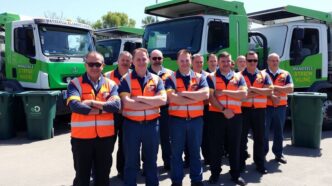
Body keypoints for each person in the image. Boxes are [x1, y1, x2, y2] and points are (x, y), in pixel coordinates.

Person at [67, 51, 121, 186]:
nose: (94, 67)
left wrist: (90, 103)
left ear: (103, 66)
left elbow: (115, 106)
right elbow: (75, 106)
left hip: (105, 139)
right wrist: (103, 108)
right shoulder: (75, 84)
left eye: (97, 64)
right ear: (85, 65)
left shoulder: (111, 84)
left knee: (103, 176)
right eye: (91, 64)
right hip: (81, 139)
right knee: (82, 176)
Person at [119, 48, 167, 186]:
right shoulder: (125, 79)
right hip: (131, 126)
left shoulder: (156, 79)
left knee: (151, 161)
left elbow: (163, 100)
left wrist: (139, 98)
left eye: (144, 59)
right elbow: (127, 103)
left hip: (152, 125)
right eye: (138, 59)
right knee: (131, 162)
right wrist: (152, 103)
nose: (141, 62)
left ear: (148, 60)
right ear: (133, 62)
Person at [165, 49, 209, 186]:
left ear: (191, 61)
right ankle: (176, 181)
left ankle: (197, 180)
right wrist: (195, 97)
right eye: (182, 60)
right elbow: (172, 98)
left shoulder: (200, 77)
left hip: (196, 121)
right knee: (176, 154)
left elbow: (206, 95)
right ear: (177, 61)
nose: (184, 63)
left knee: (196, 153)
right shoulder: (170, 78)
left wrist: (182, 94)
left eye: (187, 60)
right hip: (177, 121)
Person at [207, 51, 247, 186]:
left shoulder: (239, 77)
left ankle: (235, 175)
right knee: (215, 146)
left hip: (235, 116)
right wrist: (224, 110)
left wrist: (224, 92)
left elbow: (243, 95)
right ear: (218, 62)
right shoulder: (211, 77)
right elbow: (211, 98)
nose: (225, 64)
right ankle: (215, 174)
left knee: (235, 146)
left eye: (228, 61)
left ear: (231, 62)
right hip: (217, 115)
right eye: (223, 61)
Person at [240, 51, 273, 174]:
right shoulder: (239, 76)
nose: (252, 63)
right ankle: (241, 164)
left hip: (259, 110)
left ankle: (260, 164)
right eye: (250, 60)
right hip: (244, 110)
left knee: (260, 138)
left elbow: (269, 91)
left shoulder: (264, 75)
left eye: (255, 60)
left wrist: (253, 89)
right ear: (246, 61)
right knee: (242, 139)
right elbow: (241, 94)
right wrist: (261, 91)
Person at [104, 51, 133, 180]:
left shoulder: (134, 75)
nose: (125, 62)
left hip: (128, 116)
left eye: (128, 60)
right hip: (111, 116)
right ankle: (102, 173)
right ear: (118, 60)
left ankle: (122, 171)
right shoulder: (107, 76)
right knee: (107, 146)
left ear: (131, 62)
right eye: (123, 60)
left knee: (125, 146)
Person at [264, 53, 294, 164]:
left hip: (281, 107)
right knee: (264, 133)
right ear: (267, 61)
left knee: (279, 132)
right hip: (266, 107)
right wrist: (280, 89)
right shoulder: (262, 74)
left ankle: (278, 154)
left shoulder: (285, 74)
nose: (274, 62)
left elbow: (290, 88)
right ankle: (262, 154)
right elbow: (260, 90)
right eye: (272, 60)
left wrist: (273, 87)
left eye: (276, 60)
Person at [148, 49, 173, 171]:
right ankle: (148, 165)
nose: (157, 60)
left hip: (165, 111)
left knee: (166, 138)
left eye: (159, 58)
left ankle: (168, 163)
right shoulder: (145, 73)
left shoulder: (170, 74)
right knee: (149, 141)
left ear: (162, 59)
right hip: (149, 110)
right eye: (154, 58)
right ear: (149, 59)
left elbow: (172, 94)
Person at [192, 53, 210, 165]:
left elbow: (209, 95)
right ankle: (189, 159)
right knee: (190, 138)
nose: (199, 64)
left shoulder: (208, 76)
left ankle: (207, 158)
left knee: (206, 136)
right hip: (191, 110)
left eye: (201, 62)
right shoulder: (188, 76)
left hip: (206, 109)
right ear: (192, 63)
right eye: (197, 62)